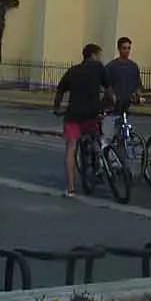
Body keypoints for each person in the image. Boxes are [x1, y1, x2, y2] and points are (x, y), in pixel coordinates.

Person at [53, 43, 112, 198]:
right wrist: (109, 103)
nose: (100, 58)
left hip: (73, 113)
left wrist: (57, 108)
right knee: (96, 136)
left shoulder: (73, 71)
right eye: (99, 55)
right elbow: (109, 89)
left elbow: (60, 89)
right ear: (93, 55)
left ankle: (71, 188)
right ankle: (98, 162)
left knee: (71, 148)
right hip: (92, 113)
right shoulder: (98, 67)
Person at [105, 36, 143, 113]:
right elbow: (106, 85)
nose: (127, 51)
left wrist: (139, 95)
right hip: (114, 103)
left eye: (129, 48)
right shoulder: (111, 66)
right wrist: (112, 96)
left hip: (129, 103)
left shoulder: (134, 66)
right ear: (119, 49)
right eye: (124, 48)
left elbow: (138, 84)